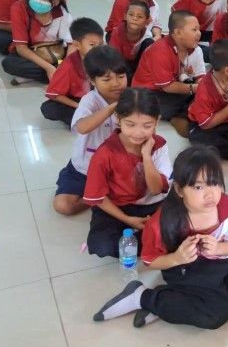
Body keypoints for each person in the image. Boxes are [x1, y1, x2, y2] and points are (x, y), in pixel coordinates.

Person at [92, 146, 228, 329]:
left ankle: (174, 302)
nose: (210, 194)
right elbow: (151, 261)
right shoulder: (163, 222)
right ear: (179, 189)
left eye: (215, 183)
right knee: (215, 315)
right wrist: (177, 258)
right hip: (185, 267)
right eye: (198, 187)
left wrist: (219, 248)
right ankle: (142, 297)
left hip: (223, 261)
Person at [83, 88, 172, 258]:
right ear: (118, 119)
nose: (138, 133)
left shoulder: (159, 145)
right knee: (101, 244)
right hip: (118, 207)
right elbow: (98, 198)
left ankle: (147, 238)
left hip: (153, 204)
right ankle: (152, 240)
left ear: (157, 121)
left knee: (183, 222)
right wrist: (127, 219)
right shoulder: (105, 153)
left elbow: (156, 190)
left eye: (147, 125)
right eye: (130, 125)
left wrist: (147, 156)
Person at [52, 46, 128, 216]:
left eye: (121, 76)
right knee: (63, 206)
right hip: (85, 166)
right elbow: (82, 127)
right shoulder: (90, 100)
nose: (116, 83)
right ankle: (99, 196)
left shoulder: (132, 98)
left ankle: (103, 193)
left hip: (118, 166)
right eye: (107, 79)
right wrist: (111, 108)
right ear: (92, 80)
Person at [132, 11, 206, 131]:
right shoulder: (160, 50)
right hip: (149, 92)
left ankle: (185, 114)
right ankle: (181, 117)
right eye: (194, 29)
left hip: (174, 86)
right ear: (178, 33)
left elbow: (200, 75)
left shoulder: (195, 49)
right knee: (160, 105)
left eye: (199, 29)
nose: (199, 33)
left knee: (205, 96)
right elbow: (168, 87)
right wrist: (195, 89)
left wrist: (202, 88)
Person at [188, 39, 228, 160]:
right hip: (208, 127)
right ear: (227, 70)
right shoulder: (205, 87)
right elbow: (205, 124)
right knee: (199, 140)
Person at [2, 0, 72, 84]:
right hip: (33, 53)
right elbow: (21, 48)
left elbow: (71, 44)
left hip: (58, 53)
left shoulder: (61, 11)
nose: (37, 1)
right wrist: (48, 68)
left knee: (84, 54)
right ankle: (60, 74)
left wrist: (65, 64)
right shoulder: (19, 8)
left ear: (55, 2)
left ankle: (53, 73)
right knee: (9, 63)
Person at [41, 18, 104, 126]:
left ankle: (95, 120)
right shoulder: (68, 65)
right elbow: (55, 95)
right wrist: (79, 106)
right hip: (77, 100)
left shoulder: (105, 57)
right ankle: (88, 121)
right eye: (92, 45)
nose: (97, 49)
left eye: (100, 44)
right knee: (48, 108)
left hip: (101, 96)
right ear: (77, 45)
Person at [107, 0, 153, 78]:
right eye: (131, 15)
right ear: (125, 16)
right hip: (121, 65)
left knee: (150, 42)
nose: (134, 18)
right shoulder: (117, 32)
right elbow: (114, 58)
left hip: (138, 65)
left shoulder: (147, 35)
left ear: (147, 21)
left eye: (140, 17)